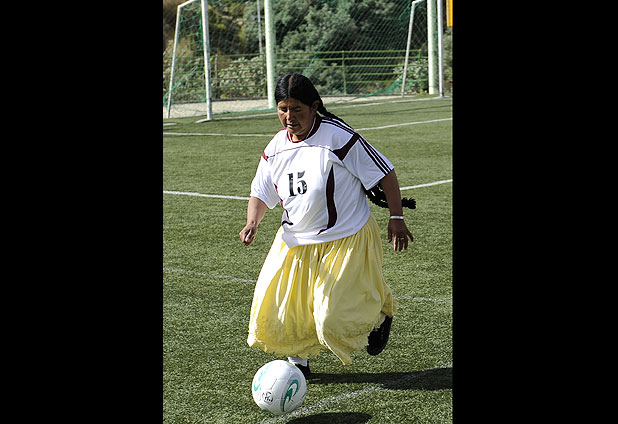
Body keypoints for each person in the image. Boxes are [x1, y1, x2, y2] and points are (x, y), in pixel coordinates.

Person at [239, 74, 415, 377]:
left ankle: (379, 315)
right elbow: (261, 192)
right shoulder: (276, 148)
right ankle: (298, 364)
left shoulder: (338, 137)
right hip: (294, 242)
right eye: (282, 109)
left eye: (297, 109)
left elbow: (385, 172)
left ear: (314, 107)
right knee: (282, 311)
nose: (289, 117)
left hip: (345, 237)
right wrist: (252, 222)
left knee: (331, 318)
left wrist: (396, 217)